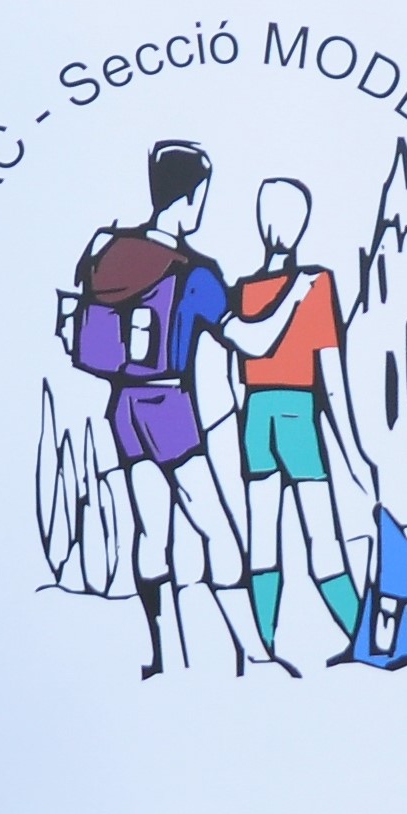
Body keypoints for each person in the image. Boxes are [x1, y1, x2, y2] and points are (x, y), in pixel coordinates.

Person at [64, 142, 269, 676]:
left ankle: (160, 654)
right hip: (168, 405)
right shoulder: (194, 273)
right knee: (217, 529)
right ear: (192, 197)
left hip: (123, 406)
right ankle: (254, 651)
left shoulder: (110, 253)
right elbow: (243, 338)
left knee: (152, 532)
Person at [229, 176, 372, 658]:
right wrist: (353, 453)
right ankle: (360, 636)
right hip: (296, 415)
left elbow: (235, 375)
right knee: (323, 538)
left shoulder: (244, 291)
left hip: (255, 417)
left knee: (261, 537)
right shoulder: (316, 284)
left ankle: (266, 644)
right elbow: (332, 379)